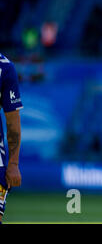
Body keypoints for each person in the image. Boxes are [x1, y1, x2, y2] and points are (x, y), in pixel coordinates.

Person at [0, 53, 23, 224]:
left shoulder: (6, 68)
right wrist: (13, 164)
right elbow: (13, 124)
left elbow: (13, 126)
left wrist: (14, 164)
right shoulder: (5, 67)